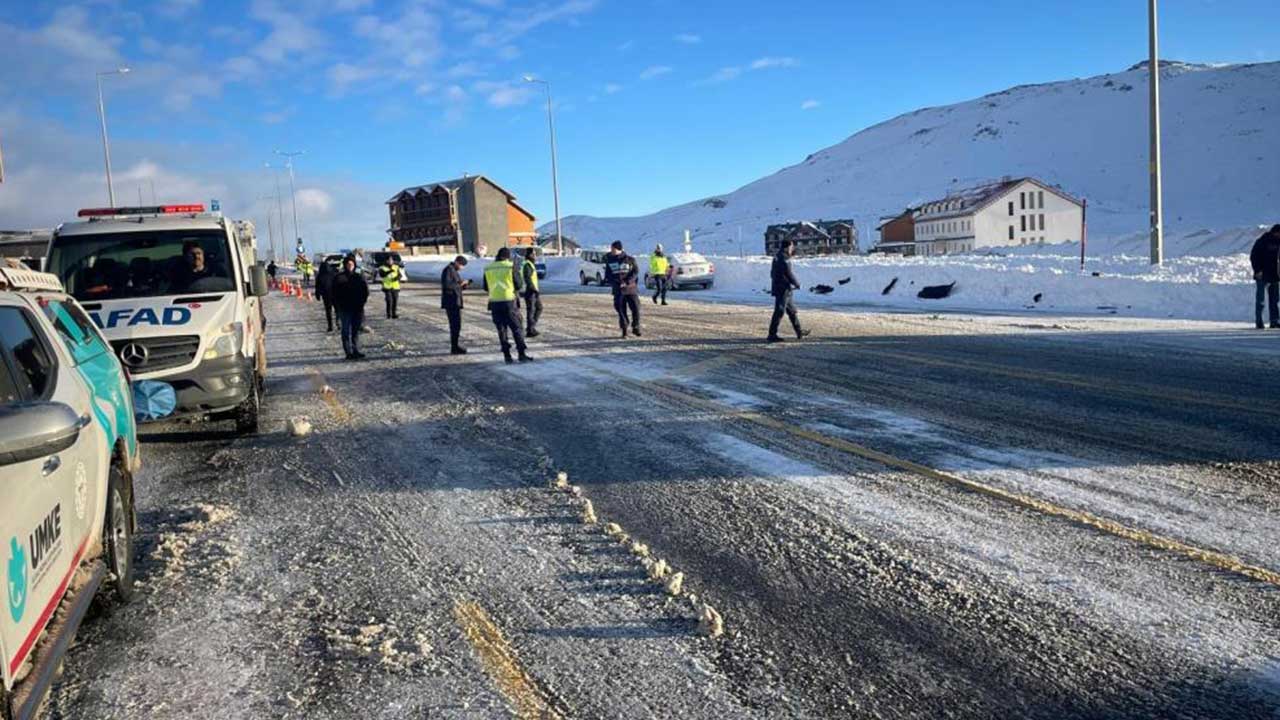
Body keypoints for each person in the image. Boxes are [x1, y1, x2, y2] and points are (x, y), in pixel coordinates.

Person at [483, 248, 532, 364]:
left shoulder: (488, 268)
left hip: (494, 302)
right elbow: (519, 284)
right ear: (508, 256)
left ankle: (507, 356)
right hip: (509, 301)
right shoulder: (510, 266)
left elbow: (485, 287)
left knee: (502, 330)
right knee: (517, 328)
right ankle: (521, 354)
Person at [767, 239, 811, 343]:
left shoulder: (777, 256)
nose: (793, 248)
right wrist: (796, 283)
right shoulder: (784, 257)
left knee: (791, 311)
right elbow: (788, 273)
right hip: (783, 289)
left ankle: (799, 331)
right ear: (788, 247)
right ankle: (772, 335)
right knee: (779, 311)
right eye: (792, 246)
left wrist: (776, 282)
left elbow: (772, 273)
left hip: (781, 287)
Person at [331, 254, 369, 360]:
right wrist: (337, 307)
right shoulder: (339, 278)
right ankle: (348, 352)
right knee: (345, 331)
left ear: (354, 265)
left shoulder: (358, 277)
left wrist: (362, 302)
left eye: (352, 264)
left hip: (357, 308)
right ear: (345, 265)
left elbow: (365, 291)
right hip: (344, 309)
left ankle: (355, 350)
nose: (350, 266)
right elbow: (334, 294)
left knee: (355, 331)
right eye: (348, 264)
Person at [604, 240, 641, 338]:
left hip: (631, 289)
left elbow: (635, 272)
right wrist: (615, 282)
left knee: (636, 308)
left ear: (619, 249)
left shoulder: (630, 260)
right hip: (618, 290)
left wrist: (627, 281)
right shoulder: (610, 261)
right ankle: (624, 330)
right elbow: (608, 275)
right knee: (621, 310)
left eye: (613, 249)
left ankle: (636, 326)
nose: (611, 250)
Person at [1250, 224, 1280, 329]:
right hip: (1261, 275)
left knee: (1275, 300)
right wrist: (1257, 270)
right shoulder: (1263, 241)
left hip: (1275, 275)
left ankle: (1275, 321)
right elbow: (1253, 256)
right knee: (1260, 300)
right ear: (1275, 232)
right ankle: (1259, 322)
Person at [441, 255, 471, 354]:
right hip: (451, 302)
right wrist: (460, 284)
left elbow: (456, 286)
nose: (462, 268)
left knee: (457, 326)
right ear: (457, 262)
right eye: (462, 265)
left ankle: (455, 345)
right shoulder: (448, 270)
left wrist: (464, 285)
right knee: (454, 325)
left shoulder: (454, 271)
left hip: (455, 301)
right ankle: (454, 347)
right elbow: (447, 285)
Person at [521, 248, 543, 338]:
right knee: (531, 310)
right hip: (530, 291)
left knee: (539, 308)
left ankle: (531, 327)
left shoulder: (529, 264)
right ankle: (530, 330)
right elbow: (528, 278)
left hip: (532, 291)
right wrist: (533, 289)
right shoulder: (527, 265)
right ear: (529, 255)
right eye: (533, 254)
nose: (535, 256)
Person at [315, 260, 336, 332]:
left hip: (326, 296)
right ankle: (338, 323)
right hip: (335, 295)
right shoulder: (333, 274)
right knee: (337, 310)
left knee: (328, 311)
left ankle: (330, 326)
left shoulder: (319, 276)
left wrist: (317, 295)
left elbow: (317, 286)